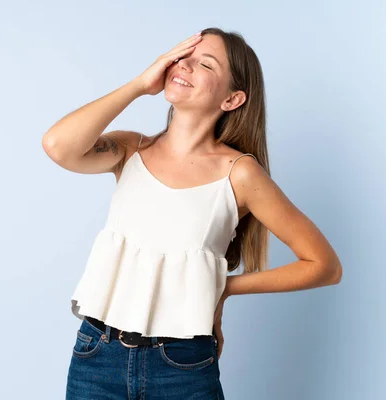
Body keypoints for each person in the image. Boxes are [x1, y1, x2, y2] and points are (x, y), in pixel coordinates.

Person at [42, 27, 343, 400]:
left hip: (181, 366)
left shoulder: (240, 174)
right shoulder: (130, 150)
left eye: (204, 64)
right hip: (96, 354)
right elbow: (57, 146)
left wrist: (224, 288)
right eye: (182, 56)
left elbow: (324, 265)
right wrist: (139, 84)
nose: (183, 65)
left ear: (232, 99)